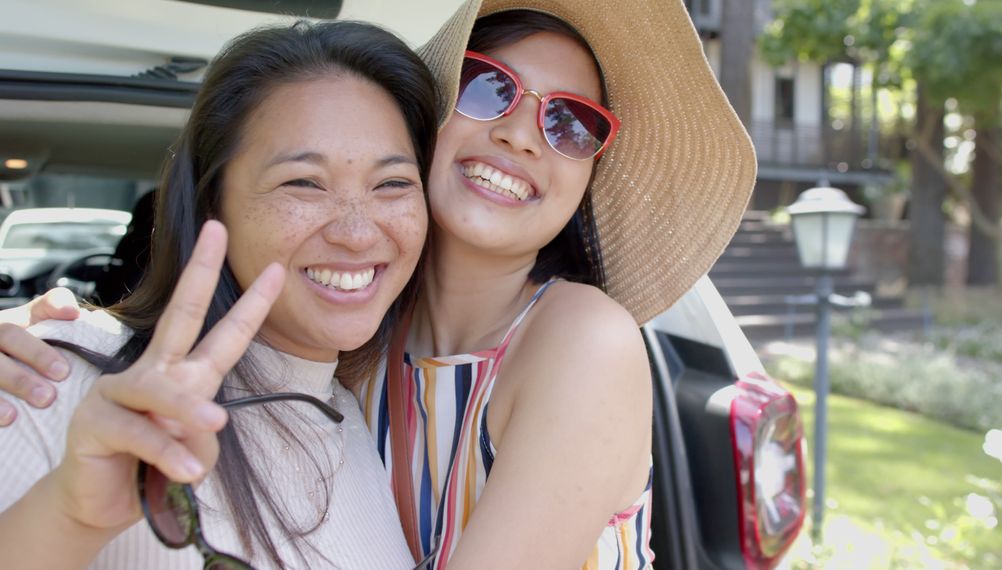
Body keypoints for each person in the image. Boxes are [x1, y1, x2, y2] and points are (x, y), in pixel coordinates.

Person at [0, 1, 756, 568]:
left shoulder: (581, 341)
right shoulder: (352, 351)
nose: (523, 133)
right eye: (489, 87)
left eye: (573, 123)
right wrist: (70, 342)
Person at [0, 19, 442, 569]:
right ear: (213, 205)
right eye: (302, 182)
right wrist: (67, 519)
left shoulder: (372, 417)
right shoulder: (55, 375)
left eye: (393, 184)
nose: (356, 232)